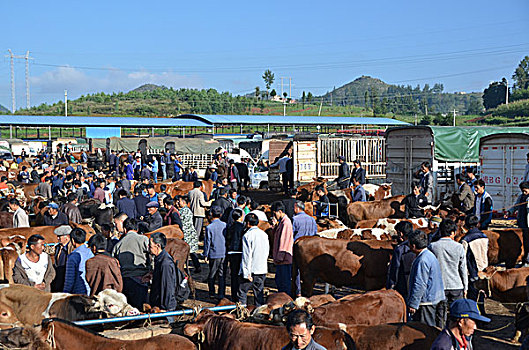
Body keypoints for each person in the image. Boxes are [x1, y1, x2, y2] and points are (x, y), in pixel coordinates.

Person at [428, 219, 468, 328]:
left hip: (439, 286)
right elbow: (463, 268)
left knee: (440, 315)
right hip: (456, 285)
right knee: (457, 314)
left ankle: (441, 335)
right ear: (453, 232)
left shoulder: (433, 246)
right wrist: (465, 287)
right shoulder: (459, 247)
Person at [407, 229, 445, 328]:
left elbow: (420, 283)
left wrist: (413, 304)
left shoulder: (422, 260)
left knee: (425, 330)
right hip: (436, 297)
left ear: (414, 246)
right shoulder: (429, 255)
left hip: (426, 301)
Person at [112, 218, 150, 309]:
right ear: (137, 229)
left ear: (125, 229)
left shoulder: (118, 244)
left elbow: (115, 263)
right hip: (141, 279)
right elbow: (152, 256)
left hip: (125, 281)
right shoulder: (144, 239)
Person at [238, 213, 269, 306]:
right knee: (259, 294)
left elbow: (247, 255)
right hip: (261, 269)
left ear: (247, 223)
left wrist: (246, 273)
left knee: (242, 292)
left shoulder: (247, 235)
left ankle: (242, 311)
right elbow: (266, 251)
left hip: (251, 271)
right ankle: (259, 314)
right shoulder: (264, 234)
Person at [460, 215, 489, 301]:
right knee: (481, 293)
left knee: (472, 294)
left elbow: (463, 256)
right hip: (483, 267)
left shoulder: (466, 239)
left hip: (472, 270)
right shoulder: (484, 236)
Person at [292, 201, 317, 296]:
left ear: (297, 208)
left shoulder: (295, 219)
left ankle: (298, 292)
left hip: (298, 248)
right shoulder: (312, 219)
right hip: (311, 249)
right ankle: (309, 290)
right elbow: (315, 234)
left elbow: (291, 234)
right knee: (310, 270)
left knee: (297, 270)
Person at [386, 221, 415, 299]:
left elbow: (395, 269)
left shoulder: (400, 249)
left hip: (403, 285)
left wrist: (391, 286)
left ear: (401, 233)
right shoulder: (418, 245)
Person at [148, 232, 177, 311]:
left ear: (158, 246)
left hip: (164, 307)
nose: (148, 247)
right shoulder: (159, 259)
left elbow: (167, 287)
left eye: (150, 246)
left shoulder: (165, 263)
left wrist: (164, 308)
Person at [203, 206, 227, 299]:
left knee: (212, 273)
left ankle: (212, 292)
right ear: (221, 214)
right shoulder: (225, 225)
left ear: (211, 214)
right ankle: (221, 293)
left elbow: (207, 242)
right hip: (223, 253)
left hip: (214, 253)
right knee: (222, 274)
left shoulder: (209, 227)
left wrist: (206, 254)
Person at [271, 201, 294, 295]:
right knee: (280, 281)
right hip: (282, 258)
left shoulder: (286, 223)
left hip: (283, 259)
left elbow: (284, 241)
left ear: (280, 211)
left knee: (284, 283)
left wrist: (279, 257)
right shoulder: (282, 222)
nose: (274, 215)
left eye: (274, 213)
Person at [63, 228, 94, 295]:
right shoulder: (90, 252)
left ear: (73, 240)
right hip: (91, 289)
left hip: (78, 292)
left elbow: (70, 279)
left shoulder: (73, 256)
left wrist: (65, 293)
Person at [177, 195, 201, 273]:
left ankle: (195, 267)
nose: (178, 202)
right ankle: (197, 267)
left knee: (190, 252)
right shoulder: (185, 210)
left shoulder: (185, 211)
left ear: (183, 202)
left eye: (179, 201)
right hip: (189, 233)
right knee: (191, 252)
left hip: (188, 234)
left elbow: (183, 223)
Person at [226, 208, 245, 301]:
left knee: (233, 275)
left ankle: (233, 295)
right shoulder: (243, 227)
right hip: (240, 253)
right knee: (239, 275)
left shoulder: (230, 227)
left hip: (231, 253)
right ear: (241, 216)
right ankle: (239, 295)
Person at [510, 181, 529, 266]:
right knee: (522, 242)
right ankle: (523, 259)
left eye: (526, 191)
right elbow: (516, 206)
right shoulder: (521, 197)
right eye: (523, 191)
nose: (524, 193)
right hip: (521, 223)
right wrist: (509, 212)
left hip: (528, 224)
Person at [51, 225, 73, 292]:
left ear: (67, 237)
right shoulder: (58, 247)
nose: (57, 238)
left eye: (59, 236)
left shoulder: (71, 249)